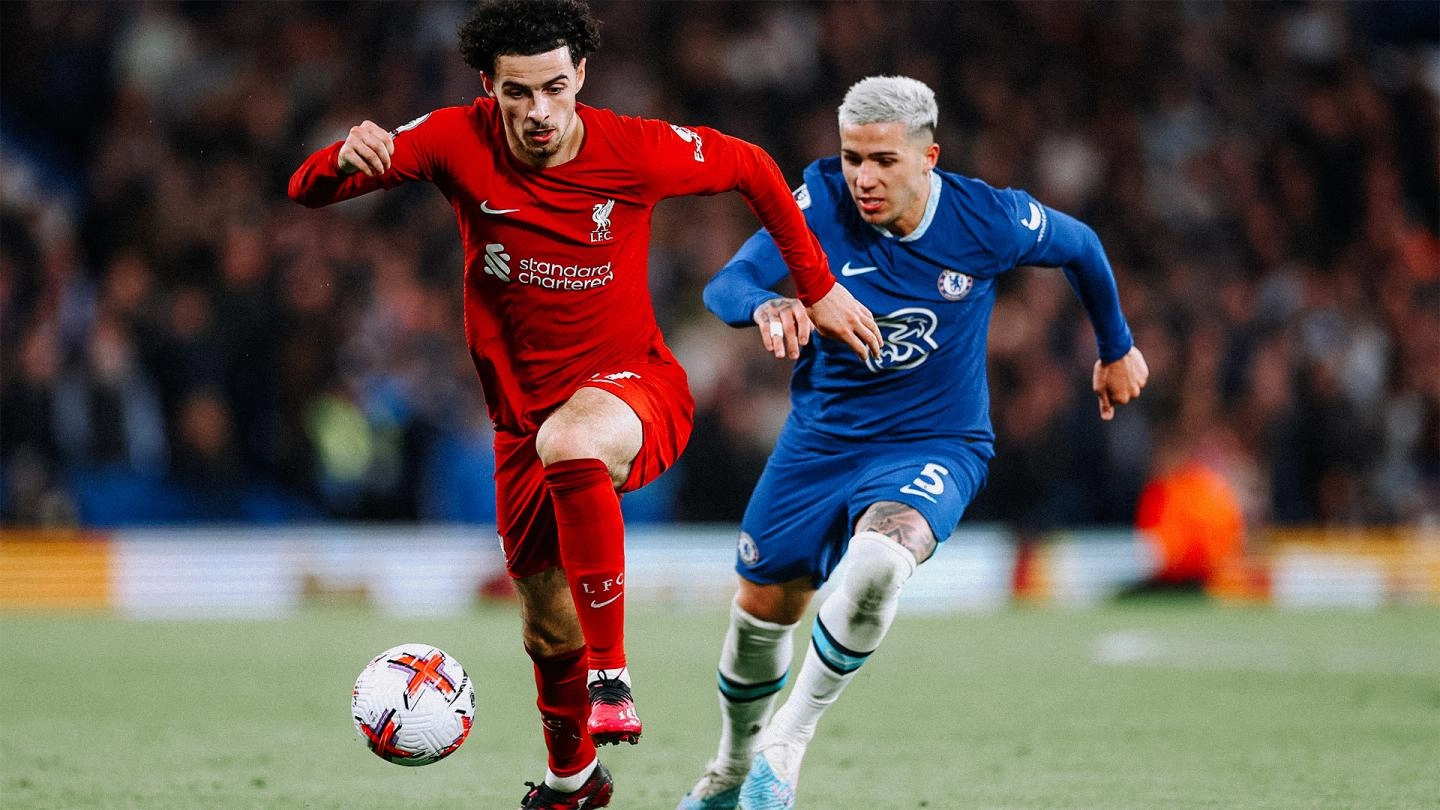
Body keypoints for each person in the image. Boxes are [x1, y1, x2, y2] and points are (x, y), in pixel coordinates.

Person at [287, 3, 882, 808]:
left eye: (556, 89)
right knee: (545, 628)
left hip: (637, 393)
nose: (539, 112)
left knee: (571, 442)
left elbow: (751, 166)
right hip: (517, 426)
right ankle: (573, 784)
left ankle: (614, 677)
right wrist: (339, 160)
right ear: (487, 89)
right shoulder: (454, 139)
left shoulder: (631, 148)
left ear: (582, 79)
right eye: (518, 93)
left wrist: (818, 287)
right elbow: (306, 189)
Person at [678, 76, 1149, 810]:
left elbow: (1082, 246)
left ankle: (786, 744)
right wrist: (771, 300)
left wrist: (1116, 347)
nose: (863, 176)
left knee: (878, 562)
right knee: (762, 611)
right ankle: (731, 767)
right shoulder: (820, 208)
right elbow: (727, 284)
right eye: (852, 156)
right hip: (821, 443)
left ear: (929, 156)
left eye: (883, 161)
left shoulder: (985, 218)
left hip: (936, 441)